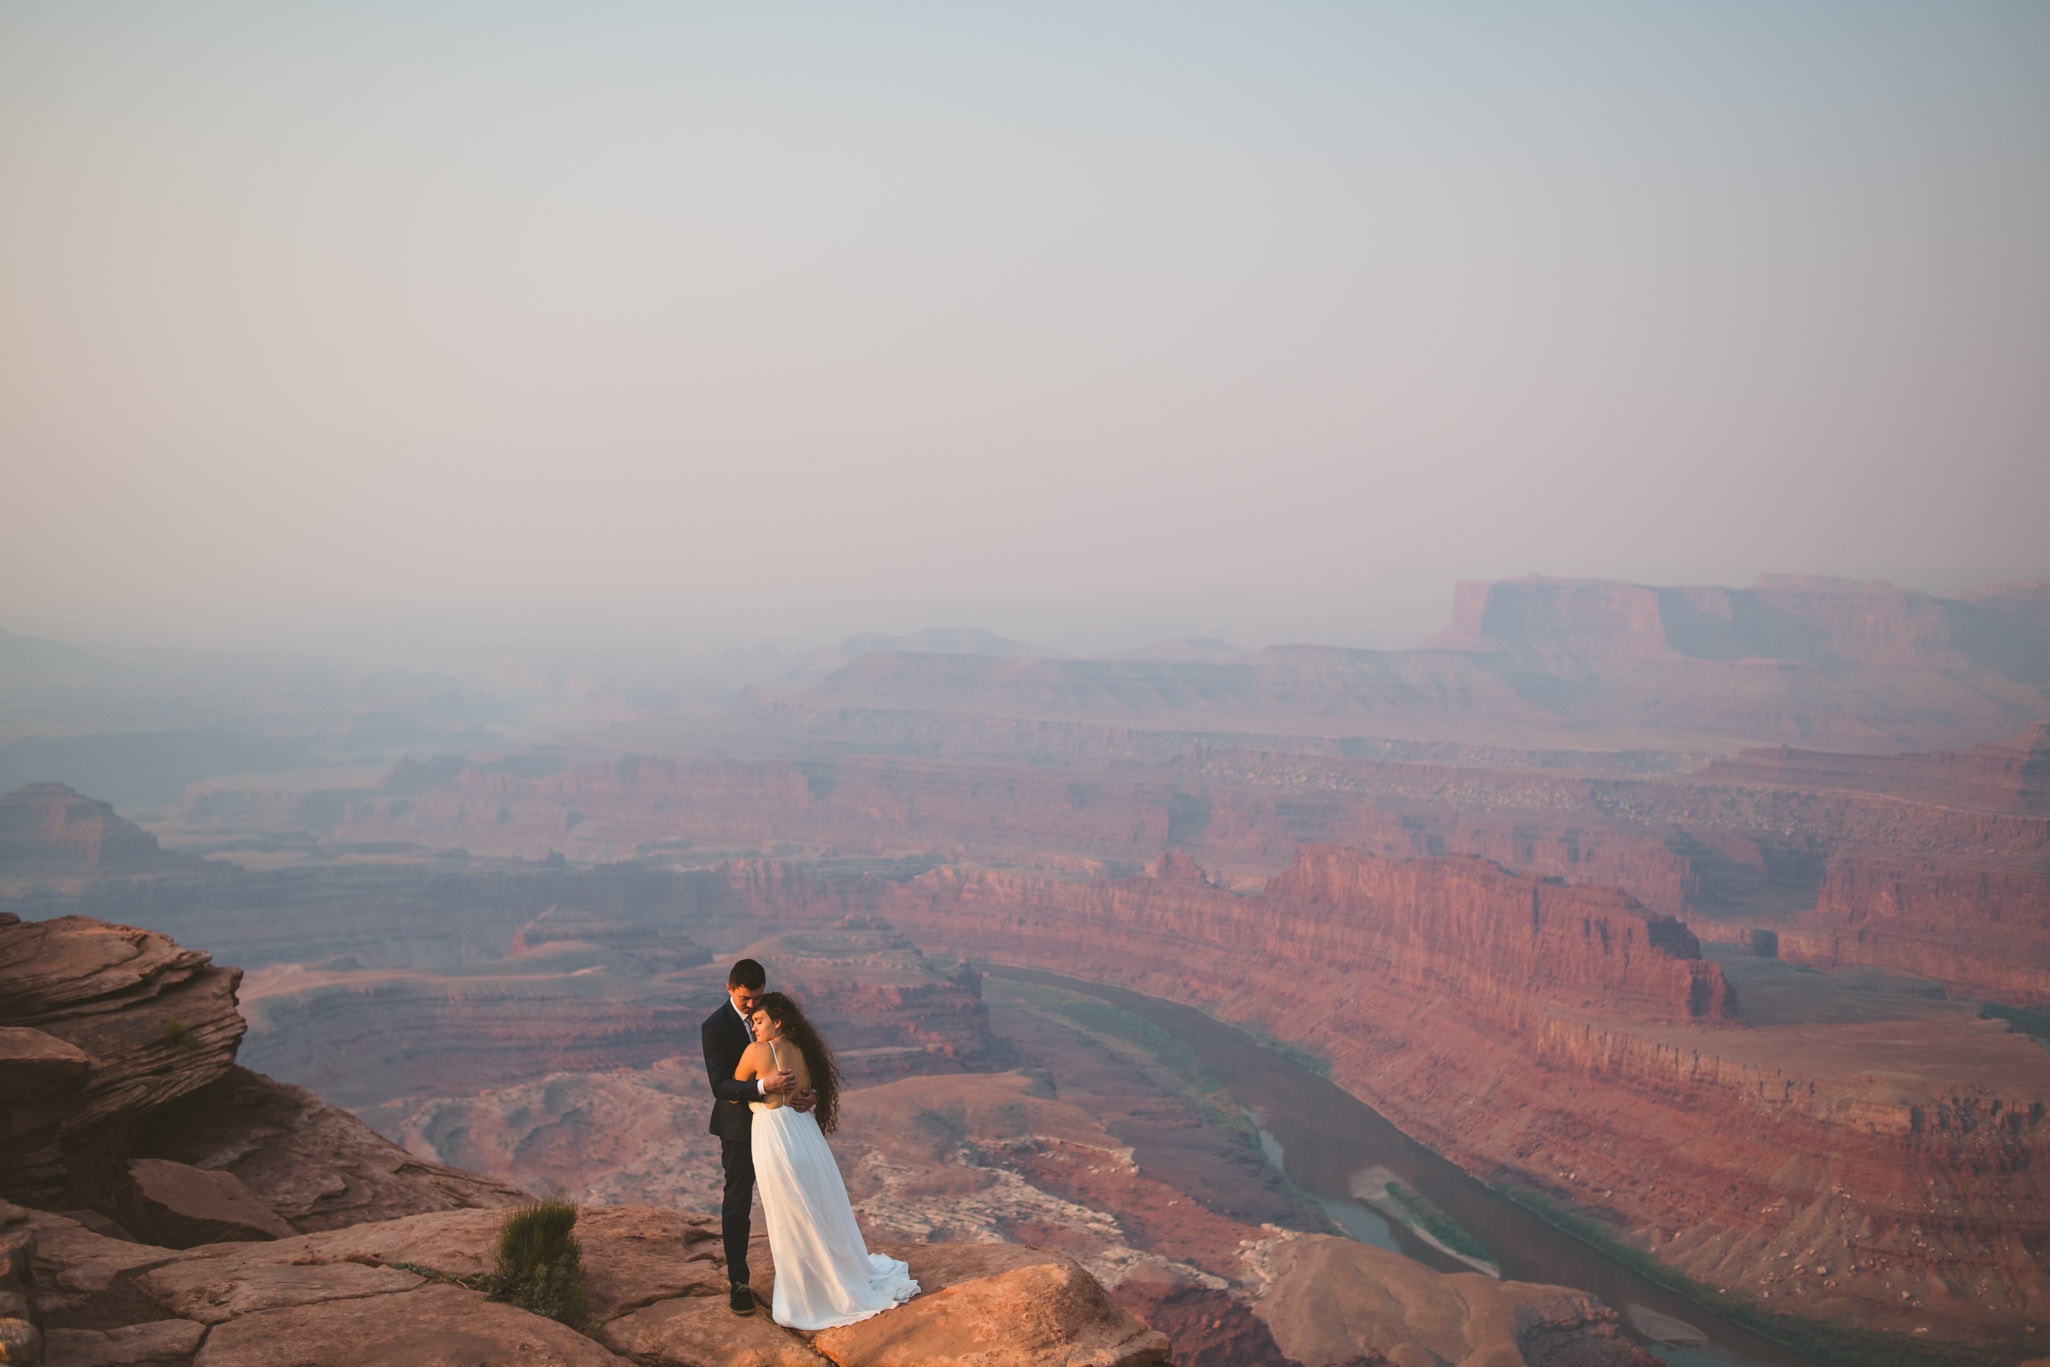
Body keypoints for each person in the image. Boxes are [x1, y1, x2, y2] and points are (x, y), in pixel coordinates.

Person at [735, 991, 919, 1330]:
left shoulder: (758, 1051)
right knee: (816, 1207)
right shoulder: (803, 1050)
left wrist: (760, 1086)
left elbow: (733, 1092)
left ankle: (807, 1296)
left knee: (789, 1216)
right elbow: (812, 1091)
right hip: (805, 1135)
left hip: (776, 1138)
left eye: (759, 1021)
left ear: (778, 1021)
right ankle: (835, 1276)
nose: (754, 1027)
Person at [701, 958, 810, 1316]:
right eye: (746, 998)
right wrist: (765, 1086)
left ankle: (803, 1277)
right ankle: (739, 1283)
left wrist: (810, 1095)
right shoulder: (714, 1026)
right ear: (730, 988)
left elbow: (800, 1063)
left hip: (781, 1126)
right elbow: (720, 1085)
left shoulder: (773, 1013)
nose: (752, 1007)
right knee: (738, 1203)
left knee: (794, 1198)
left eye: (757, 998)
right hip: (739, 1130)